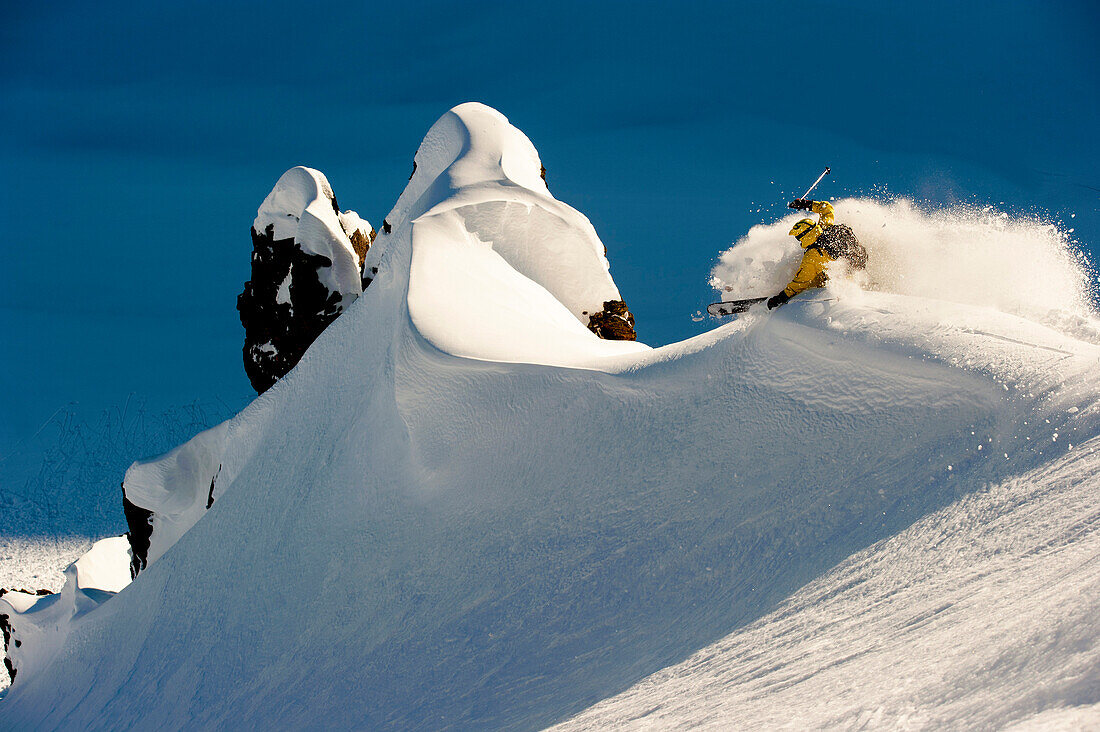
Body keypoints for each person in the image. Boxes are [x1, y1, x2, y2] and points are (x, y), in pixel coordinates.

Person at [766, 198, 866, 310]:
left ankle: (806, 291)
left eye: (798, 238)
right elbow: (827, 209)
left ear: (804, 235)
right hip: (855, 268)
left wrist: (780, 298)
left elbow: (800, 283)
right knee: (819, 270)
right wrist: (806, 204)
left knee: (812, 278)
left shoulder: (812, 256)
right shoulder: (824, 227)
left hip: (841, 281)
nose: (799, 241)